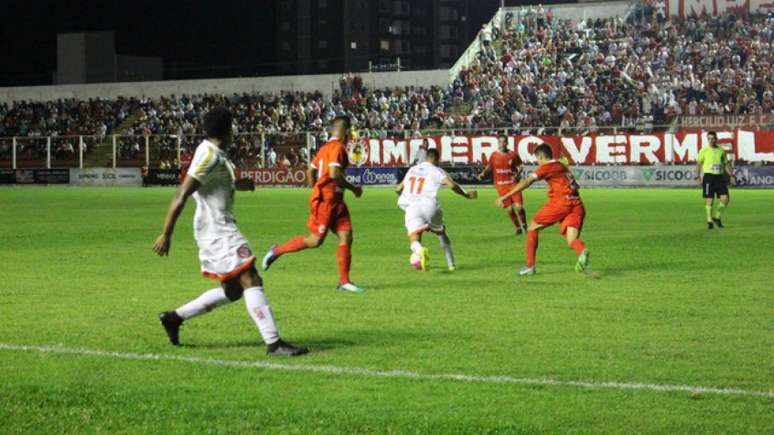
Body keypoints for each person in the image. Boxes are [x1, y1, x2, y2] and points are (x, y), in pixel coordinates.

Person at [152, 107, 307, 356]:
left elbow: (216, 184)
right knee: (251, 278)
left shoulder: (216, 154)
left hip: (218, 227)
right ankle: (274, 343)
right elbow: (182, 194)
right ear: (227, 130)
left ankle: (175, 317)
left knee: (234, 291)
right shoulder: (210, 155)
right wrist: (166, 234)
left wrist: (241, 185)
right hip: (217, 230)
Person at [261, 116, 366, 293]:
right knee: (315, 240)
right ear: (346, 131)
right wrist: (354, 188)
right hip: (327, 202)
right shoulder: (338, 147)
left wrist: (315, 188)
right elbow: (333, 174)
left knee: (346, 237)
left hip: (337, 202)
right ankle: (277, 251)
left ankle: (344, 282)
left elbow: (310, 170)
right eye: (351, 131)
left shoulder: (324, 148)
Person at [496, 143, 589, 275]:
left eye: (537, 159)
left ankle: (530, 267)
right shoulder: (561, 165)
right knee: (572, 240)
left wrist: (506, 195)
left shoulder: (546, 167)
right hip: (578, 205)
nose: (538, 162)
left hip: (561, 204)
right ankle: (582, 251)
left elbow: (527, 181)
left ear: (541, 157)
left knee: (532, 227)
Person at [396, 148, 477, 272]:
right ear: (436, 158)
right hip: (430, 206)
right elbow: (452, 185)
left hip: (412, 207)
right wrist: (466, 195)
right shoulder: (437, 170)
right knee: (441, 233)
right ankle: (451, 264)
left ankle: (419, 250)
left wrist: (404, 195)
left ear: (426, 157)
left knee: (414, 238)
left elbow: (398, 188)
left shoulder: (412, 169)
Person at [478, 135, 527, 234]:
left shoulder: (513, 154)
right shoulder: (494, 155)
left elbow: (521, 166)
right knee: (509, 209)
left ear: (507, 143)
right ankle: (518, 227)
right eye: (500, 142)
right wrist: (483, 173)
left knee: (519, 207)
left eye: (504, 142)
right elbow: (489, 166)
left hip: (513, 184)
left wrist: (517, 174)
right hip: (501, 185)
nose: (502, 144)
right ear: (498, 143)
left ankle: (524, 225)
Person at [695, 131, 733, 229]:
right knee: (710, 200)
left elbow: (725, 164)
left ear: (716, 139)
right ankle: (709, 221)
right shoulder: (704, 150)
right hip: (708, 177)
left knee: (725, 199)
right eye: (709, 139)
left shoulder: (721, 151)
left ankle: (717, 217)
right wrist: (697, 177)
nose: (711, 140)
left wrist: (731, 175)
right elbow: (699, 164)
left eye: (713, 138)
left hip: (719, 177)